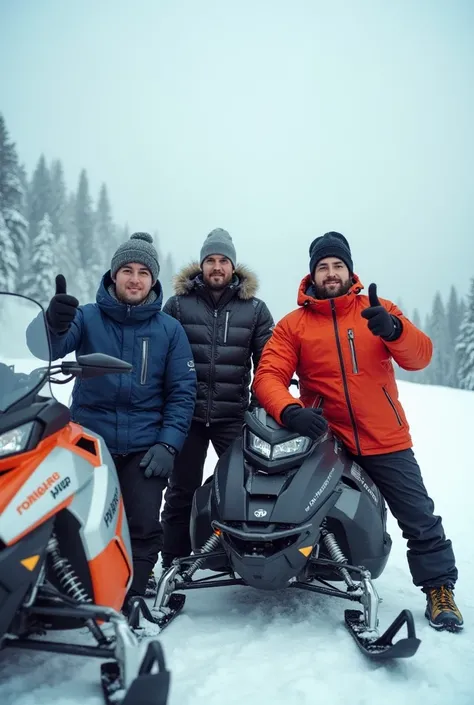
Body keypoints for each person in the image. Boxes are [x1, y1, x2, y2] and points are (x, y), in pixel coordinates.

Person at [252, 231, 463, 632]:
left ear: (350, 271)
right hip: (325, 438)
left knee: (418, 516)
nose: (331, 273)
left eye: (337, 266)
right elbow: (268, 376)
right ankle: (306, 563)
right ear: (312, 275)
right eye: (323, 267)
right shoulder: (293, 325)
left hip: (384, 436)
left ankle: (439, 588)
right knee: (298, 503)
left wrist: (394, 330)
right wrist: (290, 410)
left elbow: (421, 356)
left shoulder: (377, 310)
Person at [28, 232, 197, 604]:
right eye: (126, 270)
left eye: (142, 272)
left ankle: (133, 592)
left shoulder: (169, 331)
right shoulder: (86, 317)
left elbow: (183, 393)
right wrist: (52, 323)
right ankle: (74, 585)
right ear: (113, 275)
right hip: (89, 440)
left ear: (153, 280)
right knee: (76, 519)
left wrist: (169, 443)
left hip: (146, 445)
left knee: (142, 520)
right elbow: (47, 348)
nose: (134, 279)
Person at [158, 228, 274, 575]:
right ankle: (174, 563)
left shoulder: (254, 309)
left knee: (240, 490)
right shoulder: (178, 305)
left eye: (223, 260)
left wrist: (257, 406)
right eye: (211, 260)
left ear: (233, 266)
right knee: (181, 491)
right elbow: (163, 356)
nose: (217, 267)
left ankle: (236, 556)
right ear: (202, 264)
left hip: (232, 417)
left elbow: (268, 362)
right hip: (186, 417)